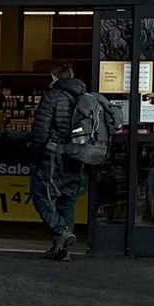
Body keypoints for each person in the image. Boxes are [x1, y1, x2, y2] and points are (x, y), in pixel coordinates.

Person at [25, 61, 96, 262]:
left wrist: (35, 155)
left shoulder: (51, 97)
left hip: (53, 157)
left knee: (39, 194)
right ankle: (62, 249)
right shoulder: (86, 98)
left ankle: (60, 230)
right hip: (76, 155)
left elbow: (40, 132)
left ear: (54, 77)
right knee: (67, 200)